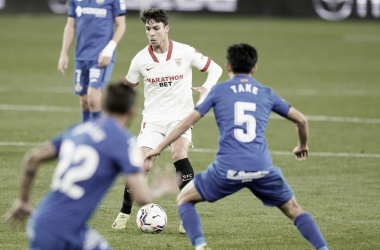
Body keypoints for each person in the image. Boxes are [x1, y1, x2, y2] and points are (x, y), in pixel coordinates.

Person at [144, 43, 329, 250]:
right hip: (262, 168)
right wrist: (301, 145)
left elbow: (188, 122)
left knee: (184, 199)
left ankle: (200, 245)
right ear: (254, 68)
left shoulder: (219, 91)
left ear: (228, 67)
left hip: (226, 169)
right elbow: (301, 120)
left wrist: (159, 147)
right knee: (294, 209)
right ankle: (323, 248)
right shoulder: (265, 92)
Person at [3, 83, 178, 250]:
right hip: (57, 230)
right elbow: (143, 197)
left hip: (59, 224)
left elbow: (32, 158)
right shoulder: (125, 143)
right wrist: (160, 189)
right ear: (132, 112)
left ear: (103, 105)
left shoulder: (79, 130)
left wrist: (23, 200)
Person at [112, 8, 223, 232]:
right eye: (147, 29)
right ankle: (124, 212)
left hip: (180, 118)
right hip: (152, 120)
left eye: (155, 28)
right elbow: (127, 89)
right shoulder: (140, 59)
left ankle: (187, 216)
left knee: (179, 154)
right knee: (142, 165)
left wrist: (206, 89)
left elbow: (216, 69)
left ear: (166, 28)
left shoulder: (184, 52)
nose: (151, 33)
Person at [58, 0, 126, 122]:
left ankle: (99, 137)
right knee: (84, 102)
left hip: (101, 57)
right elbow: (70, 25)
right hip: (81, 56)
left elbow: (121, 25)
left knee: (93, 99)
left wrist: (109, 49)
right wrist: (64, 53)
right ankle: (88, 135)